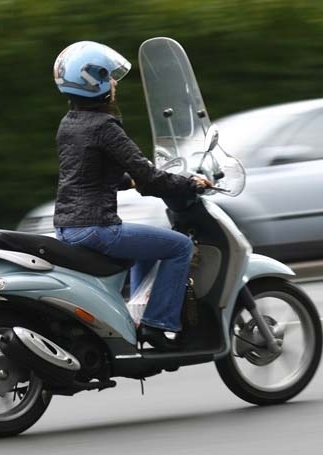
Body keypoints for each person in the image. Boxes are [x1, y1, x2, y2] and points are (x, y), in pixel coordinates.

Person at [52, 41, 210, 351]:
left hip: (68, 227)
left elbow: (88, 174)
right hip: (96, 227)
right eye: (109, 77)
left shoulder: (69, 123)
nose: (115, 83)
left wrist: (129, 182)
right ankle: (157, 324)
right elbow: (150, 177)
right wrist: (190, 183)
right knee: (179, 246)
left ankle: (138, 316)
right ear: (94, 81)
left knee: (147, 247)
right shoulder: (105, 126)